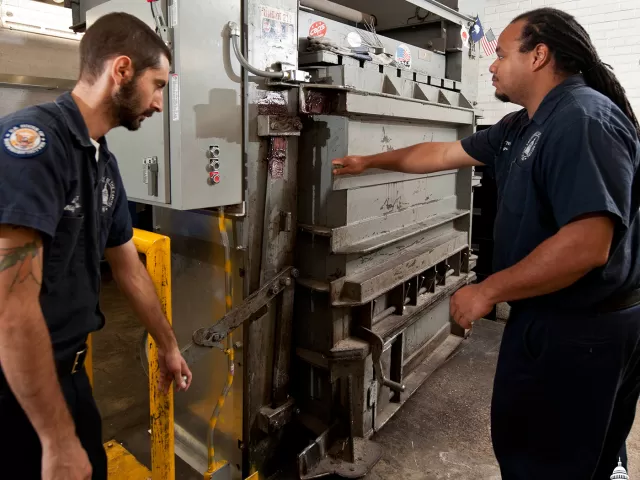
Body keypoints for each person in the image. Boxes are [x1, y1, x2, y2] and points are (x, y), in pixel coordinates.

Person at [333, 7, 640, 480]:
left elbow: (586, 246)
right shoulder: (523, 125)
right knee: (544, 445)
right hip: (549, 317)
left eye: (500, 54)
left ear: (539, 56)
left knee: (553, 458)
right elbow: (439, 153)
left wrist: (486, 291)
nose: (491, 65)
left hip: (585, 331)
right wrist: (369, 162)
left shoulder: (582, 120)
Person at [0, 12, 193, 480]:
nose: (159, 103)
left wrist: (168, 346)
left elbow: (129, 268)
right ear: (121, 70)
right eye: (158, 85)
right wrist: (56, 441)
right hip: (16, 390)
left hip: (69, 375)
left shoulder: (101, 161)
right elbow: (10, 303)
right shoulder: (35, 143)